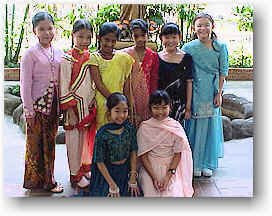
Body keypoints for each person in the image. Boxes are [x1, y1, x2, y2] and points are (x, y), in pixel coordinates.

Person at [20, 12, 63, 193]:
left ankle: (49, 181)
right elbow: (25, 83)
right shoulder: (30, 54)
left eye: (50, 28)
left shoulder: (59, 52)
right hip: (36, 105)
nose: (47, 33)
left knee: (50, 144)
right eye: (42, 29)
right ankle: (33, 182)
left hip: (53, 105)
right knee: (34, 144)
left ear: (54, 29)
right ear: (34, 31)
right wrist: (28, 110)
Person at [182, 13, 229, 177]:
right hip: (194, 91)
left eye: (206, 25)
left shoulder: (220, 47)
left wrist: (219, 93)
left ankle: (207, 162)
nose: (203, 28)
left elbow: (223, 72)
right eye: (199, 25)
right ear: (194, 29)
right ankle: (194, 162)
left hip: (211, 91)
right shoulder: (188, 48)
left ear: (212, 26)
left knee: (209, 126)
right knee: (195, 127)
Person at [59, 19, 96, 189]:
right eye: (80, 36)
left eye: (88, 37)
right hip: (73, 109)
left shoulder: (91, 57)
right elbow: (64, 85)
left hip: (86, 107)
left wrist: (93, 101)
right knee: (73, 143)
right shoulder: (67, 59)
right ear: (73, 35)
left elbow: (92, 82)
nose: (84, 41)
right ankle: (74, 175)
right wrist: (69, 110)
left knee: (84, 143)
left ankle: (83, 168)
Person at [137, 90, 193, 197]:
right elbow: (143, 156)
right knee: (150, 193)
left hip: (170, 167)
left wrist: (168, 176)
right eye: (156, 108)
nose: (160, 112)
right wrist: (154, 177)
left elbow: (177, 154)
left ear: (170, 107)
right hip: (150, 168)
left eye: (164, 107)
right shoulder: (144, 127)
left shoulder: (175, 127)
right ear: (150, 108)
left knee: (173, 194)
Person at [89, 93, 141, 197]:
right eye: (117, 111)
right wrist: (112, 185)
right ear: (109, 113)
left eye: (125, 111)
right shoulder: (102, 134)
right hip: (107, 175)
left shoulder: (129, 129)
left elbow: (133, 151)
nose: (121, 115)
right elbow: (99, 162)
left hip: (125, 172)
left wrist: (133, 175)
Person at [88, 22, 134, 129]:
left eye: (113, 41)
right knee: (103, 134)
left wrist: (127, 104)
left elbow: (127, 85)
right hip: (102, 104)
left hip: (121, 106)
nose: (109, 44)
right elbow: (98, 84)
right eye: (106, 40)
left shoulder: (124, 58)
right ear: (99, 38)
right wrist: (114, 101)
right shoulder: (94, 58)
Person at [123, 19, 159, 128]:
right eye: (136, 36)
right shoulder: (125, 54)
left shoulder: (153, 56)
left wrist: (153, 101)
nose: (140, 39)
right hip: (130, 96)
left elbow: (154, 79)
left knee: (145, 128)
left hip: (146, 98)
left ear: (147, 34)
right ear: (131, 36)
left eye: (143, 35)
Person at [158, 22, 193, 124]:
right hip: (160, 105)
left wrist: (188, 107)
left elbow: (189, 82)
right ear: (161, 38)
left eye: (174, 37)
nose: (170, 41)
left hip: (180, 106)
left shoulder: (187, 58)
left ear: (179, 37)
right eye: (167, 37)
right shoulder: (156, 57)